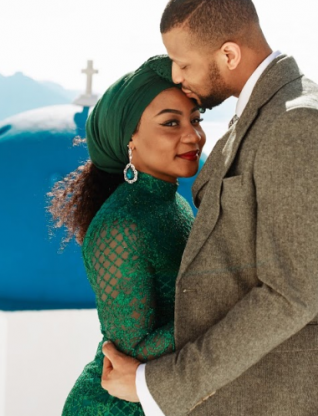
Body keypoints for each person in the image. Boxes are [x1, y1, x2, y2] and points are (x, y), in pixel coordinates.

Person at [100, 0, 318, 415]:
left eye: (183, 63)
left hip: (292, 402)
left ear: (228, 54)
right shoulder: (266, 111)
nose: (176, 76)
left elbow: (288, 297)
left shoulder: (297, 123)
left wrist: (157, 385)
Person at [50, 55, 206, 416]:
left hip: (158, 397)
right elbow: (132, 347)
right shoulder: (121, 224)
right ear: (129, 139)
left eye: (196, 119)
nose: (193, 135)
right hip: (115, 405)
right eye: (171, 122)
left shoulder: (173, 204)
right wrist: (226, 305)